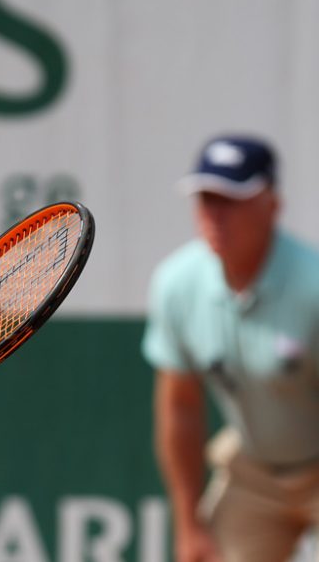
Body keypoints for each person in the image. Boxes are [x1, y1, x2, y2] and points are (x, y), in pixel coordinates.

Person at [143, 134, 319, 562]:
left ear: (272, 205)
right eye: (206, 198)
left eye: (232, 199)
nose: (215, 214)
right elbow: (180, 407)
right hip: (251, 474)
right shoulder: (177, 283)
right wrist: (188, 524)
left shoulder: (313, 285)